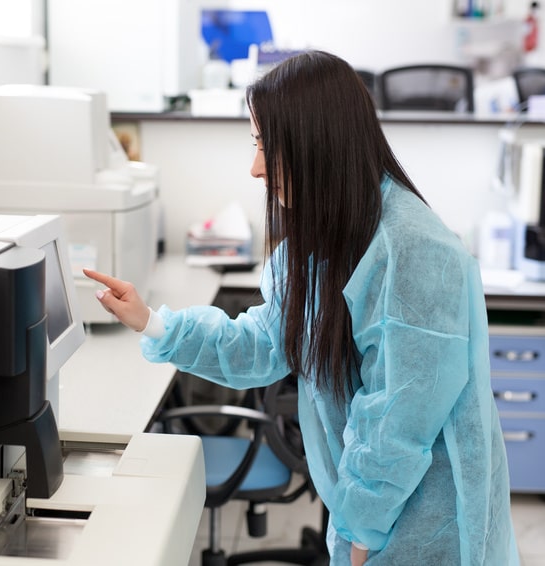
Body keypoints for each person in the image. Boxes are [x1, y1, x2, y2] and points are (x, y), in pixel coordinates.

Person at [84, 50, 519, 565]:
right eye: (256, 143)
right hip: (371, 517)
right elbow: (264, 343)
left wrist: (360, 538)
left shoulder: (413, 252)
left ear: (317, 144)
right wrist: (153, 322)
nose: (255, 167)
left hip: (426, 523)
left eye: (268, 145)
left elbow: (398, 426)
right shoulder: (322, 240)